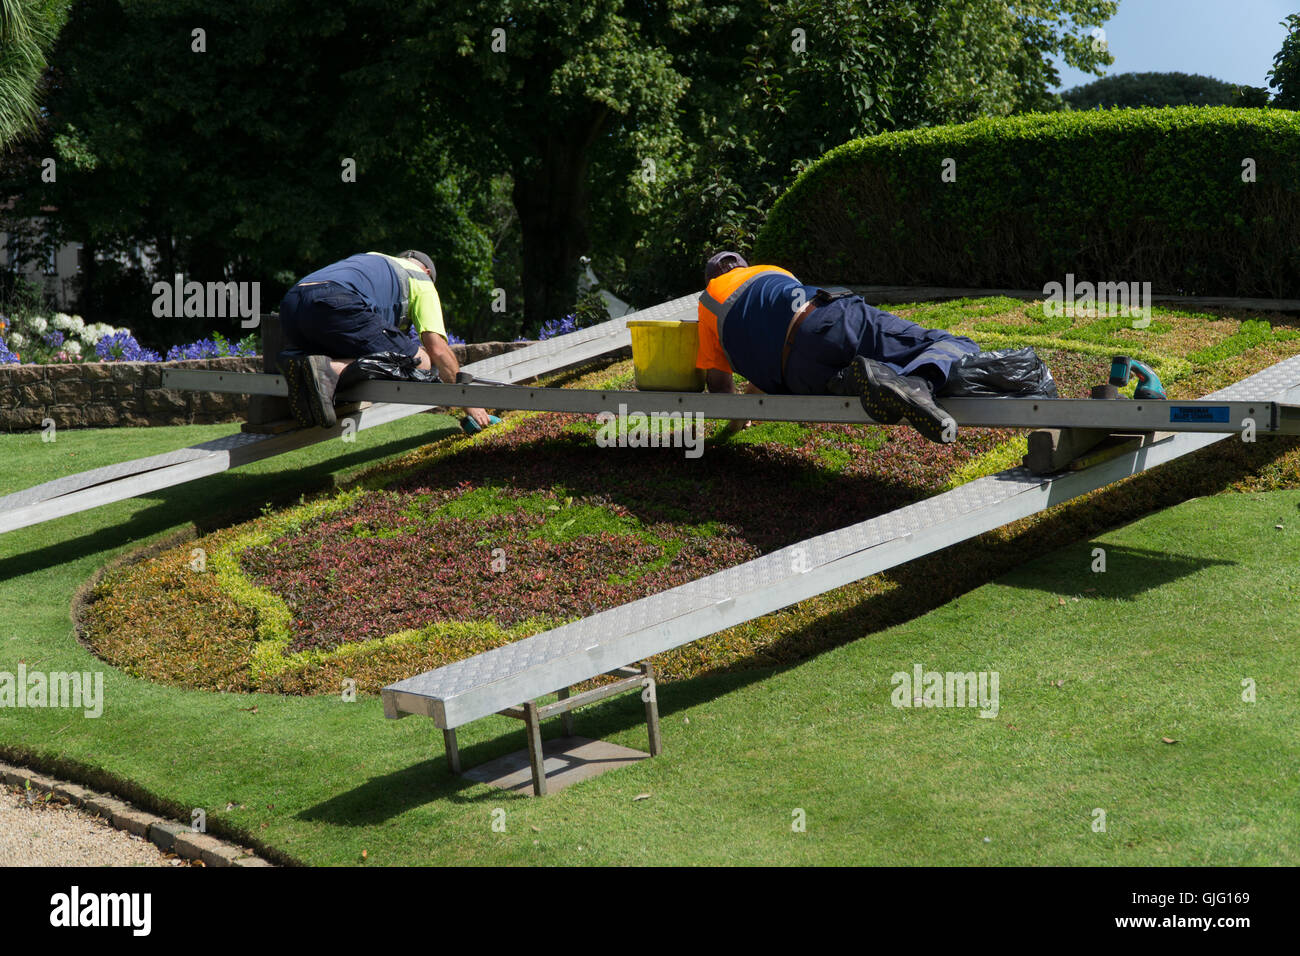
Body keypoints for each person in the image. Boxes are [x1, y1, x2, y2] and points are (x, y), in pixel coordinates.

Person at [697, 251, 985, 442]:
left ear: (711, 280)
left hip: (795, 371)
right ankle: (919, 382)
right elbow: (792, 322)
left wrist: (737, 422)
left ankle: (861, 380)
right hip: (830, 318)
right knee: (952, 343)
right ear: (744, 267)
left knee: (850, 378)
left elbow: (721, 388)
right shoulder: (770, 271)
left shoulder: (708, 301)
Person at [275, 250, 492, 430]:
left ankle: (297, 362)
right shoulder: (420, 279)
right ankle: (331, 370)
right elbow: (437, 348)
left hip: (291, 306)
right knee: (421, 361)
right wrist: (468, 402)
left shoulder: (374, 261)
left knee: (360, 348)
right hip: (335, 303)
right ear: (427, 272)